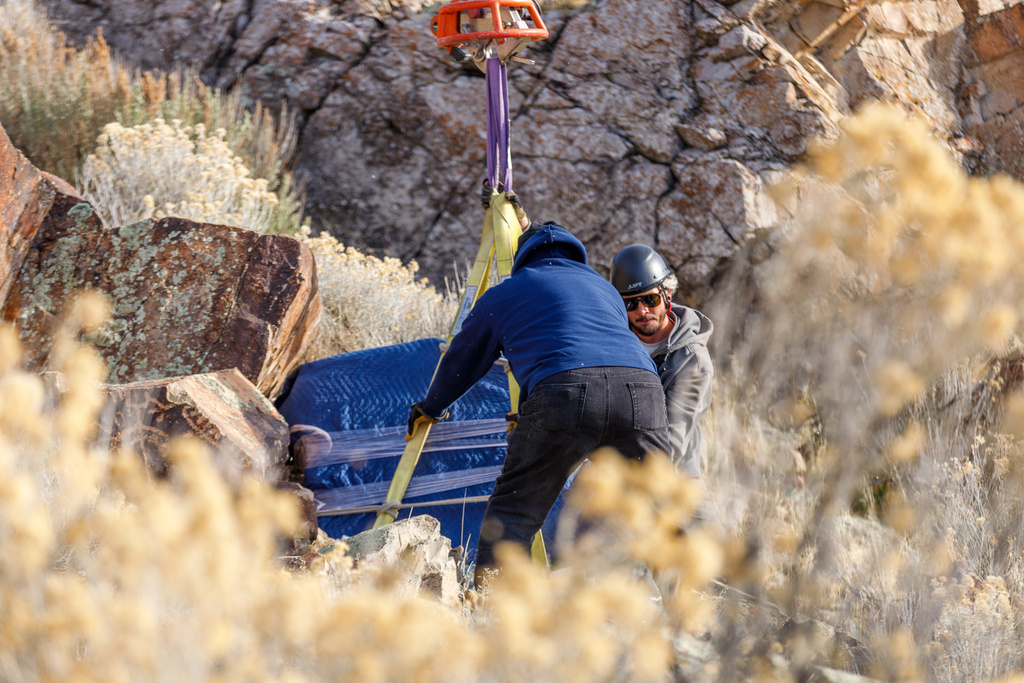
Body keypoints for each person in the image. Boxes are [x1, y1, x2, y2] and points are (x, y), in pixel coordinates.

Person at [407, 204, 671, 588]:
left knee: (515, 510)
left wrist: (431, 406)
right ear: (573, 253)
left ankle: (491, 606)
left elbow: (463, 361)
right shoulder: (604, 289)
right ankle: (694, 610)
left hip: (564, 393)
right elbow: (593, 348)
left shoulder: (506, 293)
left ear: (523, 259)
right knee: (663, 504)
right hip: (643, 391)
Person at [610, 245, 719, 527]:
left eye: (650, 299)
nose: (642, 311)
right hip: (619, 485)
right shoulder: (615, 340)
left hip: (676, 486)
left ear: (667, 295)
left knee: (716, 569)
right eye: (630, 303)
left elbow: (668, 447)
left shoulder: (692, 361)